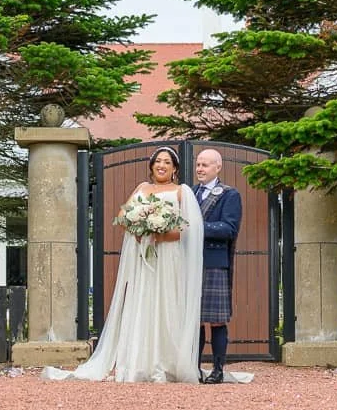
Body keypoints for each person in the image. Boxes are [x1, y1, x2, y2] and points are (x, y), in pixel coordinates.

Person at [52, 146, 204, 383]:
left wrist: (159, 233)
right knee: (142, 301)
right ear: (152, 166)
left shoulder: (181, 192)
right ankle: (138, 362)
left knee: (166, 302)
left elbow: (185, 231)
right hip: (143, 257)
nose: (161, 166)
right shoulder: (142, 189)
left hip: (168, 258)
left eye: (167, 162)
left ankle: (166, 362)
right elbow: (123, 218)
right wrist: (141, 226)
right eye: (158, 162)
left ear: (175, 169)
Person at [193, 147, 243, 384]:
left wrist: (197, 227)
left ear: (217, 167)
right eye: (198, 164)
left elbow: (229, 229)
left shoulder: (229, 194)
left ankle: (218, 369)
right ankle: (194, 368)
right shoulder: (190, 192)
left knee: (216, 319)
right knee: (194, 319)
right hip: (190, 262)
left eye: (205, 165)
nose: (200, 169)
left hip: (214, 263)